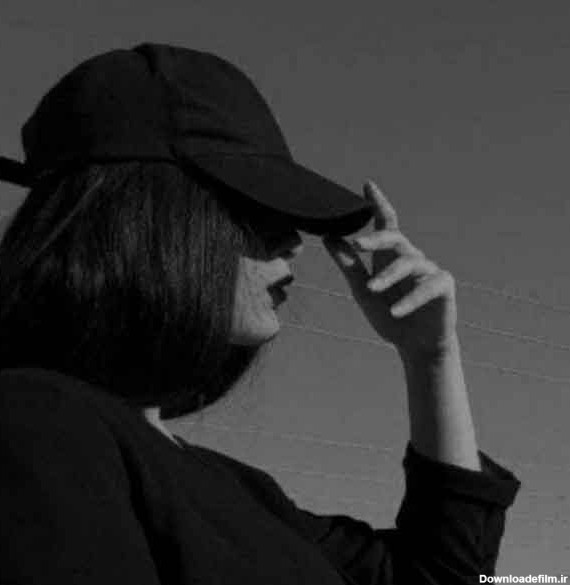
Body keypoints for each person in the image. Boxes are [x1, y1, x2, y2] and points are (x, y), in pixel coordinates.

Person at [0, 43, 520, 584]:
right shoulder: (37, 426)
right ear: (143, 218)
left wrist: (430, 356)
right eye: (256, 207)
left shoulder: (247, 494)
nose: (293, 241)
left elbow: (442, 577)